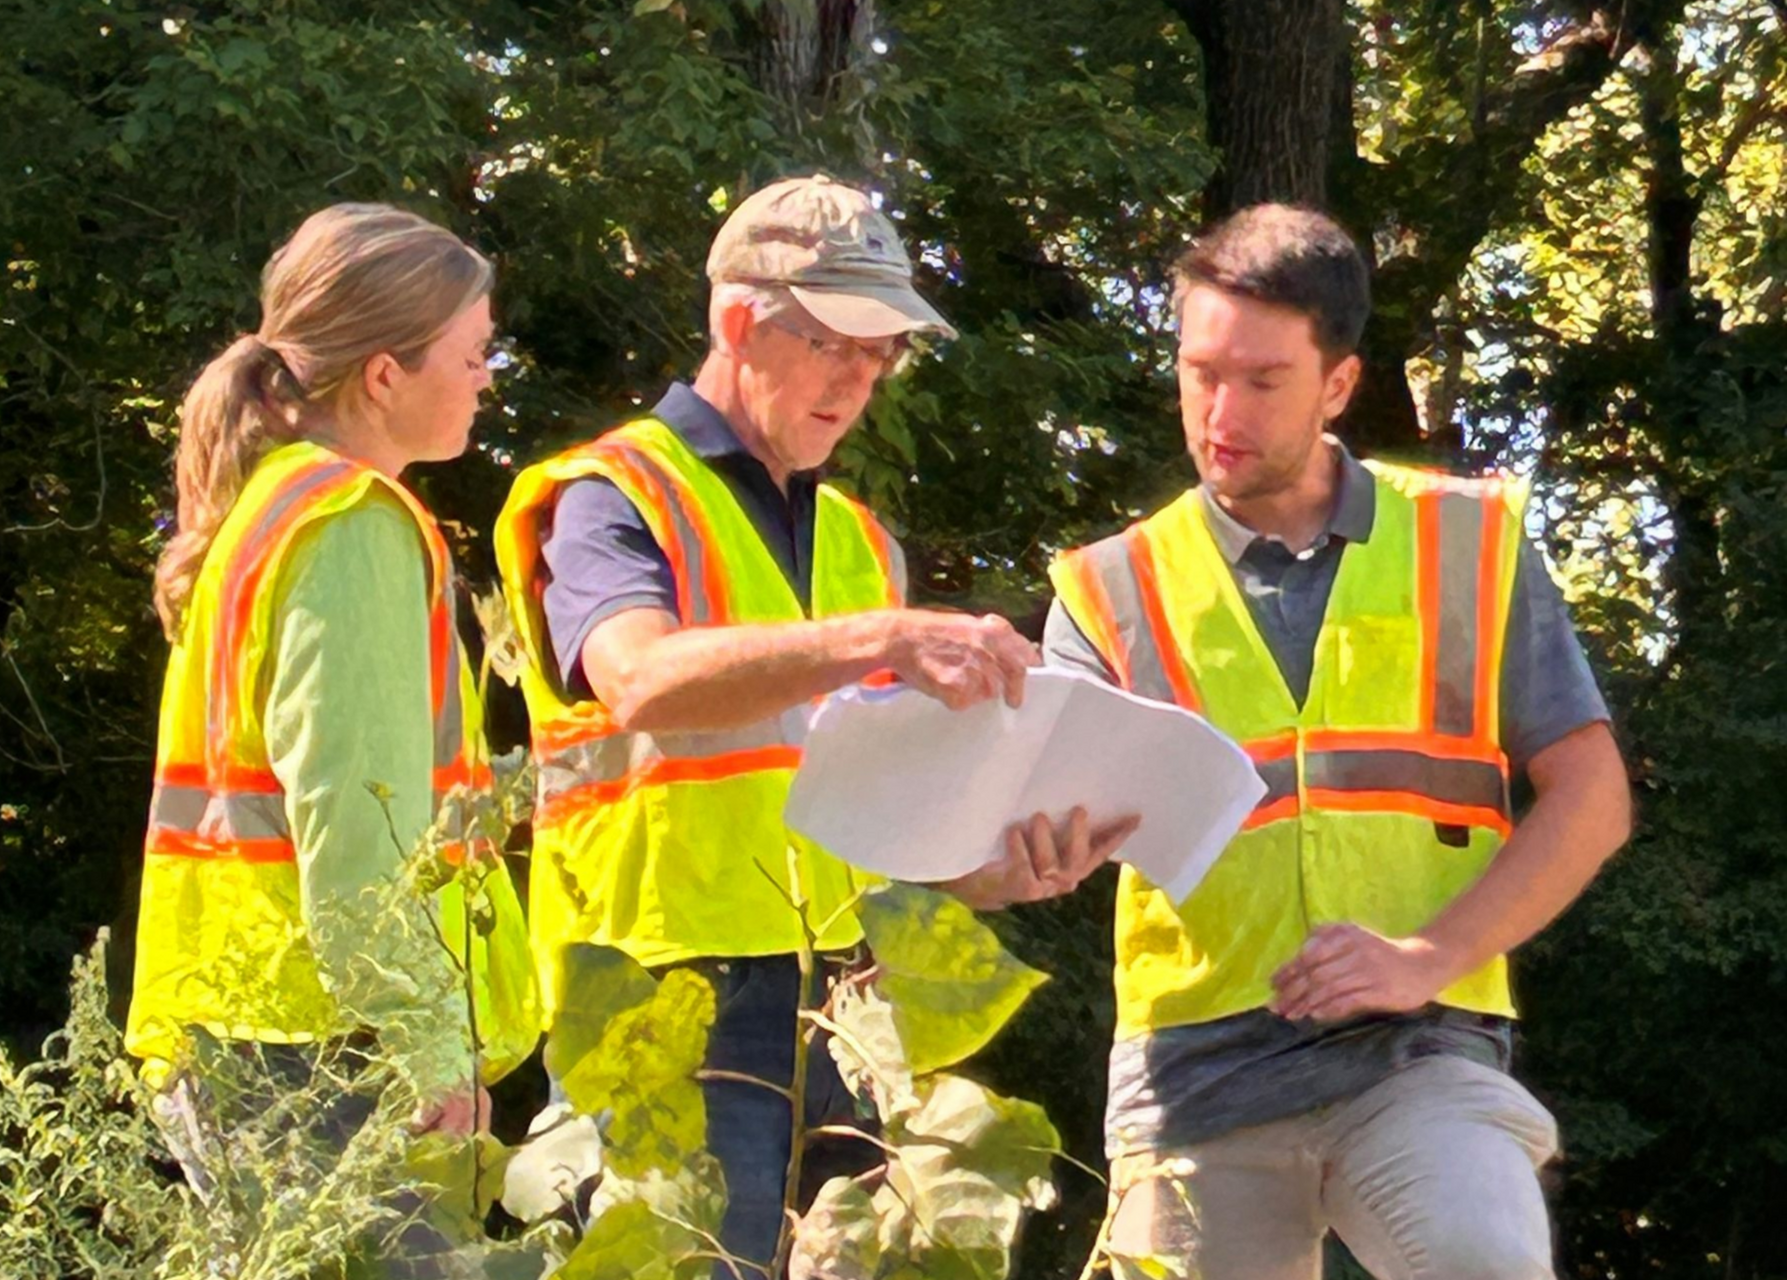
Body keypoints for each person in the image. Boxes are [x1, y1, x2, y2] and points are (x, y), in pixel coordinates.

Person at [495, 174, 1138, 1273]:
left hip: (842, 1009)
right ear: (740, 320)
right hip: (667, 1006)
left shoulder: (855, 538)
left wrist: (996, 863)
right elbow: (639, 676)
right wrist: (881, 640)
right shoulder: (609, 493)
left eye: (885, 349)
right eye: (840, 340)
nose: (865, 374)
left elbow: (880, 824)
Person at [1046, 203, 1633, 1279]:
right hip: (1193, 1082)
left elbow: (1593, 795)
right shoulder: (1104, 588)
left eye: (1262, 381)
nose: (1220, 411)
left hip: (1417, 1053)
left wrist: (1430, 956)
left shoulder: (1471, 541)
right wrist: (1024, 852)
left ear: (1339, 385)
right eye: (1199, 372)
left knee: (1484, 1259)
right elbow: (1027, 843)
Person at [126, 203, 539, 1276]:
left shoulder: (270, 507)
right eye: (472, 351)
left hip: (251, 1027)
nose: (488, 375)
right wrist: (430, 1044)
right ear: (386, 374)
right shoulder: (350, 524)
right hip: (315, 1052)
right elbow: (358, 827)